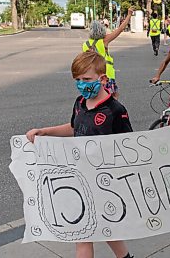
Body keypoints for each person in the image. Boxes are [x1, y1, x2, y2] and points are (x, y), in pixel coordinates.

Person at [26, 51, 134, 258]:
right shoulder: (80, 103)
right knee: (87, 231)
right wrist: (45, 131)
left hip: (103, 182)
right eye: (77, 80)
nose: (82, 85)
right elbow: (74, 127)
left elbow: (126, 145)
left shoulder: (115, 109)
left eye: (86, 79)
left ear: (102, 79)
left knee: (99, 228)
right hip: (80, 177)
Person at [83, 7, 134, 100]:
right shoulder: (104, 40)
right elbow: (120, 29)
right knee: (113, 97)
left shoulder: (85, 44)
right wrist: (129, 15)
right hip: (107, 74)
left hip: (92, 75)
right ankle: (112, 114)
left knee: (96, 97)